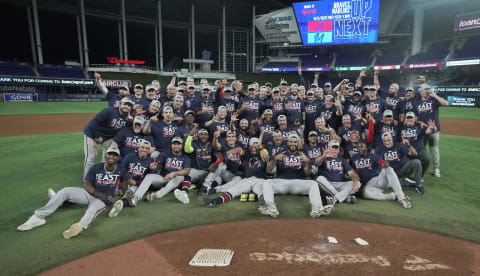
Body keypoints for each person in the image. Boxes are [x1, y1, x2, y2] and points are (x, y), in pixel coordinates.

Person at [18, 147, 126, 239]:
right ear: (106, 155)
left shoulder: (120, 170)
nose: (111, 156)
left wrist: (122, 193)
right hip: (90, 194)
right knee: (66, 191)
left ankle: (79, 227)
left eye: (115, 155)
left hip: (102, 200)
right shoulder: (96, 168)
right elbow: (87, 184)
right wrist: (99, 194)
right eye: (109, 154)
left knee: (92, 210)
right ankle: (38, 217)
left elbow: (124, 183)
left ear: (118, 157)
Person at [261, 134, 333, 218]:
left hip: (298, 183)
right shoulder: (281, 153)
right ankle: (271, 208)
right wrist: (273, 159)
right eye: (291, 142)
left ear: (297, 143)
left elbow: (307, 173)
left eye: (295, 142)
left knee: (313, 183)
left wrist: (308, 162)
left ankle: (316, 209)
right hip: (282, 182)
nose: (293, 144)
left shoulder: (301, 154)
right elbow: (269, 170)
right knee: (267, 182)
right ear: (287, 142)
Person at [203, 138, 267, 207]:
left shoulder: (264, 153)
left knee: (258, 190)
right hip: (247, 180)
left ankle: (264, 201)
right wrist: (235, 150)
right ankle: (215, 201)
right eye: (252, 147)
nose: (254, 149)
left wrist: (264, 150)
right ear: (249, 147)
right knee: (234, 190)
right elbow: (240, 150)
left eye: (256, 147)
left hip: (260, 179)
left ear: (259, 146)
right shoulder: (247, 153)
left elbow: (268, 156)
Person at [128, 137, 192, 205]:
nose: (176, 146)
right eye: (174, 144)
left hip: (174, 181)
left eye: (178, 144)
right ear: (171, 145)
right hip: (163, 178)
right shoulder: (167, 153)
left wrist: (174, 173)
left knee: (181, 177)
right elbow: (159, 159)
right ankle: (135, 198)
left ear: (182, 145)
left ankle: (156, 195)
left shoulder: (185, 157)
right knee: (149, 176)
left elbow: (187, 171)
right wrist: (155, 164)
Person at [83, 97, 133, 179]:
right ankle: (87, 179)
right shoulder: (108, 111)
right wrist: (97, 137)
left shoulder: (127, 117)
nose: (126, 107)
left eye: (129, 105)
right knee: (91, 157)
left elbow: (125, 130)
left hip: (107, 138)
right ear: (120, 104)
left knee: (109, 154)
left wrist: (130, 122)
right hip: (92, 134)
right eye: (125, 104)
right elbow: (93, 124)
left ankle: (101, 175)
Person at [351, 141, 412, 208]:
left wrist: (384, 164)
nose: (360, 148)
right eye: (358, 147)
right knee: (366, 194)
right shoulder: (354, 158)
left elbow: (382, 162)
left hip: (379, 180)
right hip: (369, 184)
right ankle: (393, 196)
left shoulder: (372, 156)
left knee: (389, 169)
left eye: (362, 146)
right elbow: (352, 168)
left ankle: (402, 197)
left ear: (366, 148)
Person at [109, 141, 156, 217]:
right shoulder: (130, 156)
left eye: (147, 148)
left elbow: (147, 181)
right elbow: (121, 170)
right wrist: (126, 180)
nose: (144, 150)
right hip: (124, 181)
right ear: (138, 148)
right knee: (108, 191)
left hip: (136, 185)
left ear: (149, 150)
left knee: (131, 191)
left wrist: (136, 183)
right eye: (142, 147)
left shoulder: (150, 161)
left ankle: (121, 203)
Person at [412, 85, 448, 177]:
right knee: (421, 150)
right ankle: (419, 168)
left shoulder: (434, 100)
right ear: (420, 92)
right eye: (423, 90)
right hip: (422, 131)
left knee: (434, 149)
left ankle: (436, 169)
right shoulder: (416, 103)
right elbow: (414, 118)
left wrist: (434, 95)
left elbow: (446, 103)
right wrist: (419, 122)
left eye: (427, 90)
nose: (425, 91)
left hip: (434, 130)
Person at [316, 140, 361, 204]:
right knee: (319, 178)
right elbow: (316, 163)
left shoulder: (342, 160)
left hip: (340, 184)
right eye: (333, 147)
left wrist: (355, 182)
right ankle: (345, 198)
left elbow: (351, 173)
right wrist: (323, 156)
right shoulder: (324, 158)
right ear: (329, 148)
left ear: (339, 149)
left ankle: (335, 199)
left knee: (357, 183)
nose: (334, 149)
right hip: (328, 184)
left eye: (336, 148)